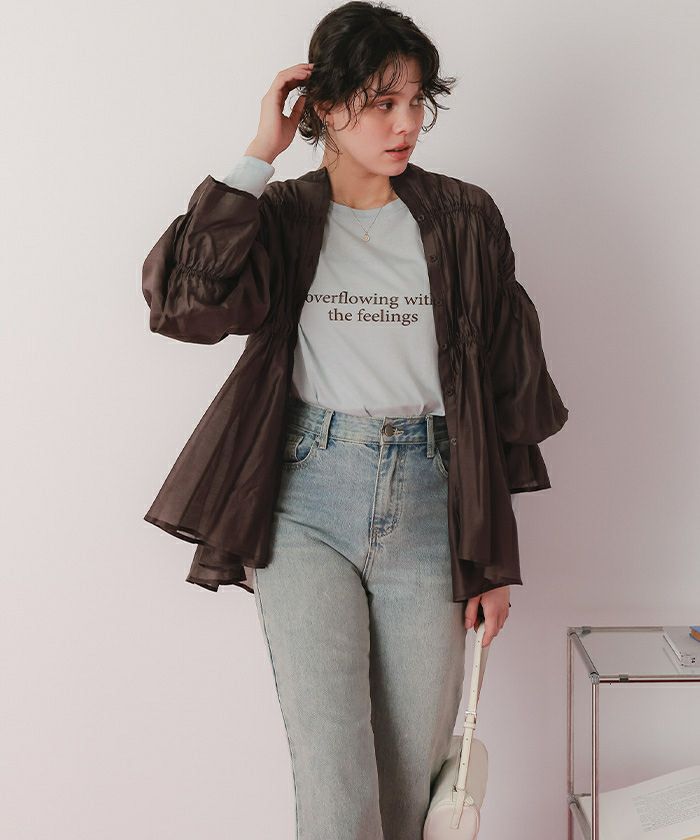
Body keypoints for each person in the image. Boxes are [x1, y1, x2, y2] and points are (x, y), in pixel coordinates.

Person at [141, 3, 568, 837]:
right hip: (306, 499)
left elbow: (503, 393)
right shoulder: (281, 217)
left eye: (416, 103)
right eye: (381, 103)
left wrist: (492, 559)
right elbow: (188, 304)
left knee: (409, 781)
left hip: (433, 499)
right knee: (334, 773)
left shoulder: (464, 218)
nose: (406, 124)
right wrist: (258, 152)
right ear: (324, 107)